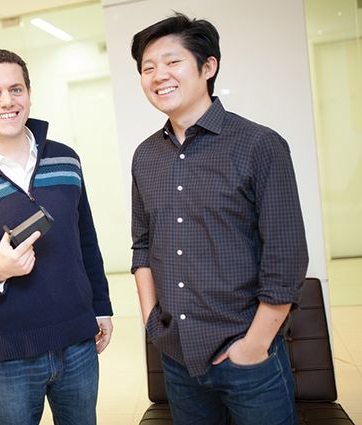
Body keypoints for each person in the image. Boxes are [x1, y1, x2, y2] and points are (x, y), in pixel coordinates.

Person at [129, 13, 308, 425]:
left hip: (247, 356)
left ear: (207, 67)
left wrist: (253, 346)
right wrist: (153, 324)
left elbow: (286, 257)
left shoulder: (260, 145)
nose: (159, 76)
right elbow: (142, 245)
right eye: (148, 68)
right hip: (177, 356)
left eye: (172, 62)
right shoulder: (146, 155)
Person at [0, 49, 113, 425]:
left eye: (16, 89)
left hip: (77, 342)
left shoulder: (66, 159)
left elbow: (85, 240)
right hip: (6, 357)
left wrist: (101, 305)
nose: (7, 101)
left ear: (29, 93)